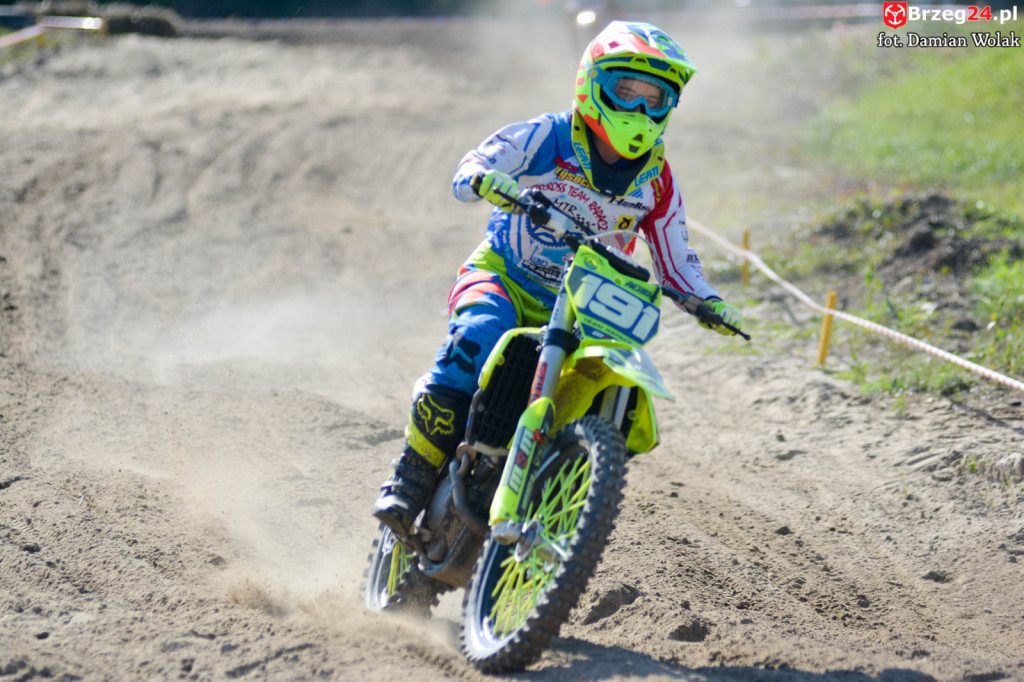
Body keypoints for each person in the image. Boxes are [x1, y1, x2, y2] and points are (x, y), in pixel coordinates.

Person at [373, 20, 741, 538]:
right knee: (476, 336)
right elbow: (480, 160)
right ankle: (411, 474)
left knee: (592, 375)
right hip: (504, 276)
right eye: (626, 92)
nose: (638, 111)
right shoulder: (550, 135)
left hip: (583, 305)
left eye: (653, 100)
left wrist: (707, 300)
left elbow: (677, 256)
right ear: (593, 84)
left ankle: (551, 473)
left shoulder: (656, 180)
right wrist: (483, 178)